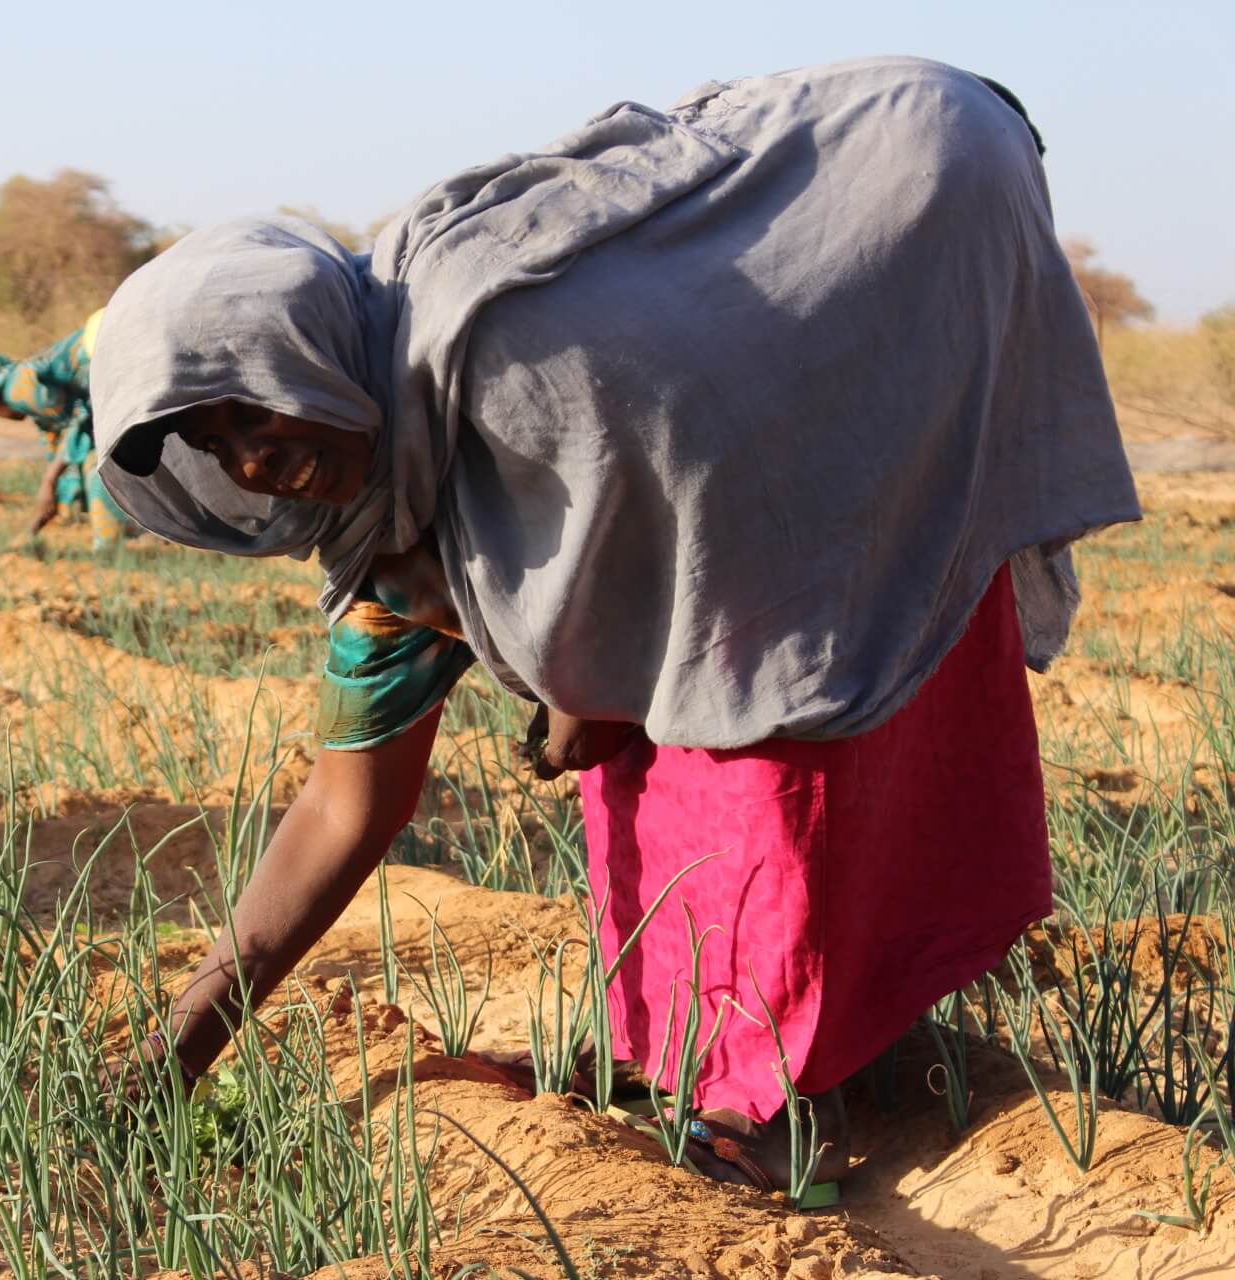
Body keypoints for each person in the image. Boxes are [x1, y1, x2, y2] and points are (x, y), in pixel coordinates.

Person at [87, 57, 1141, 1188]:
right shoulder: (379, 528)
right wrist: (178, 1048)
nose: (250, 455)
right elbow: (348, 802)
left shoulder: (509, 358)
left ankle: (774, 1099)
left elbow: (721, 506)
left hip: (908, 193)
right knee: (654, 733)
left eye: (250, 398)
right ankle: (706, 1042)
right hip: (723, 424)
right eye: (210, 441)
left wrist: (581, 691)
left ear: (304, 340)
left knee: (749, 711)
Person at [0, 309, 132, 548]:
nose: (1, 417)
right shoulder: (26, 384)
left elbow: (80, 420)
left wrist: (48, 482)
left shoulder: (17, 390)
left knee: (97, 463)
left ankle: (112, 547)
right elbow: (62, 446)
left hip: (109, 360)